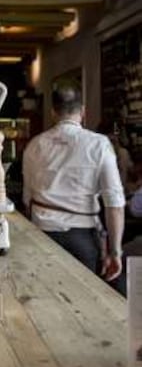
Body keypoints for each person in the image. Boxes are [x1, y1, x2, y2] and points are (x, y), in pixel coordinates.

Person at [22, 82, 125, 283]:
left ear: (53, 112)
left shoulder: (34, 145)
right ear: (83, 111)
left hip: (41, 236)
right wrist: (115, 252)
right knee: (86, 303)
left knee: (45, 301)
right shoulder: (99, 144)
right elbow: (115, 206)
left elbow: (27, 201)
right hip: (83, 239)